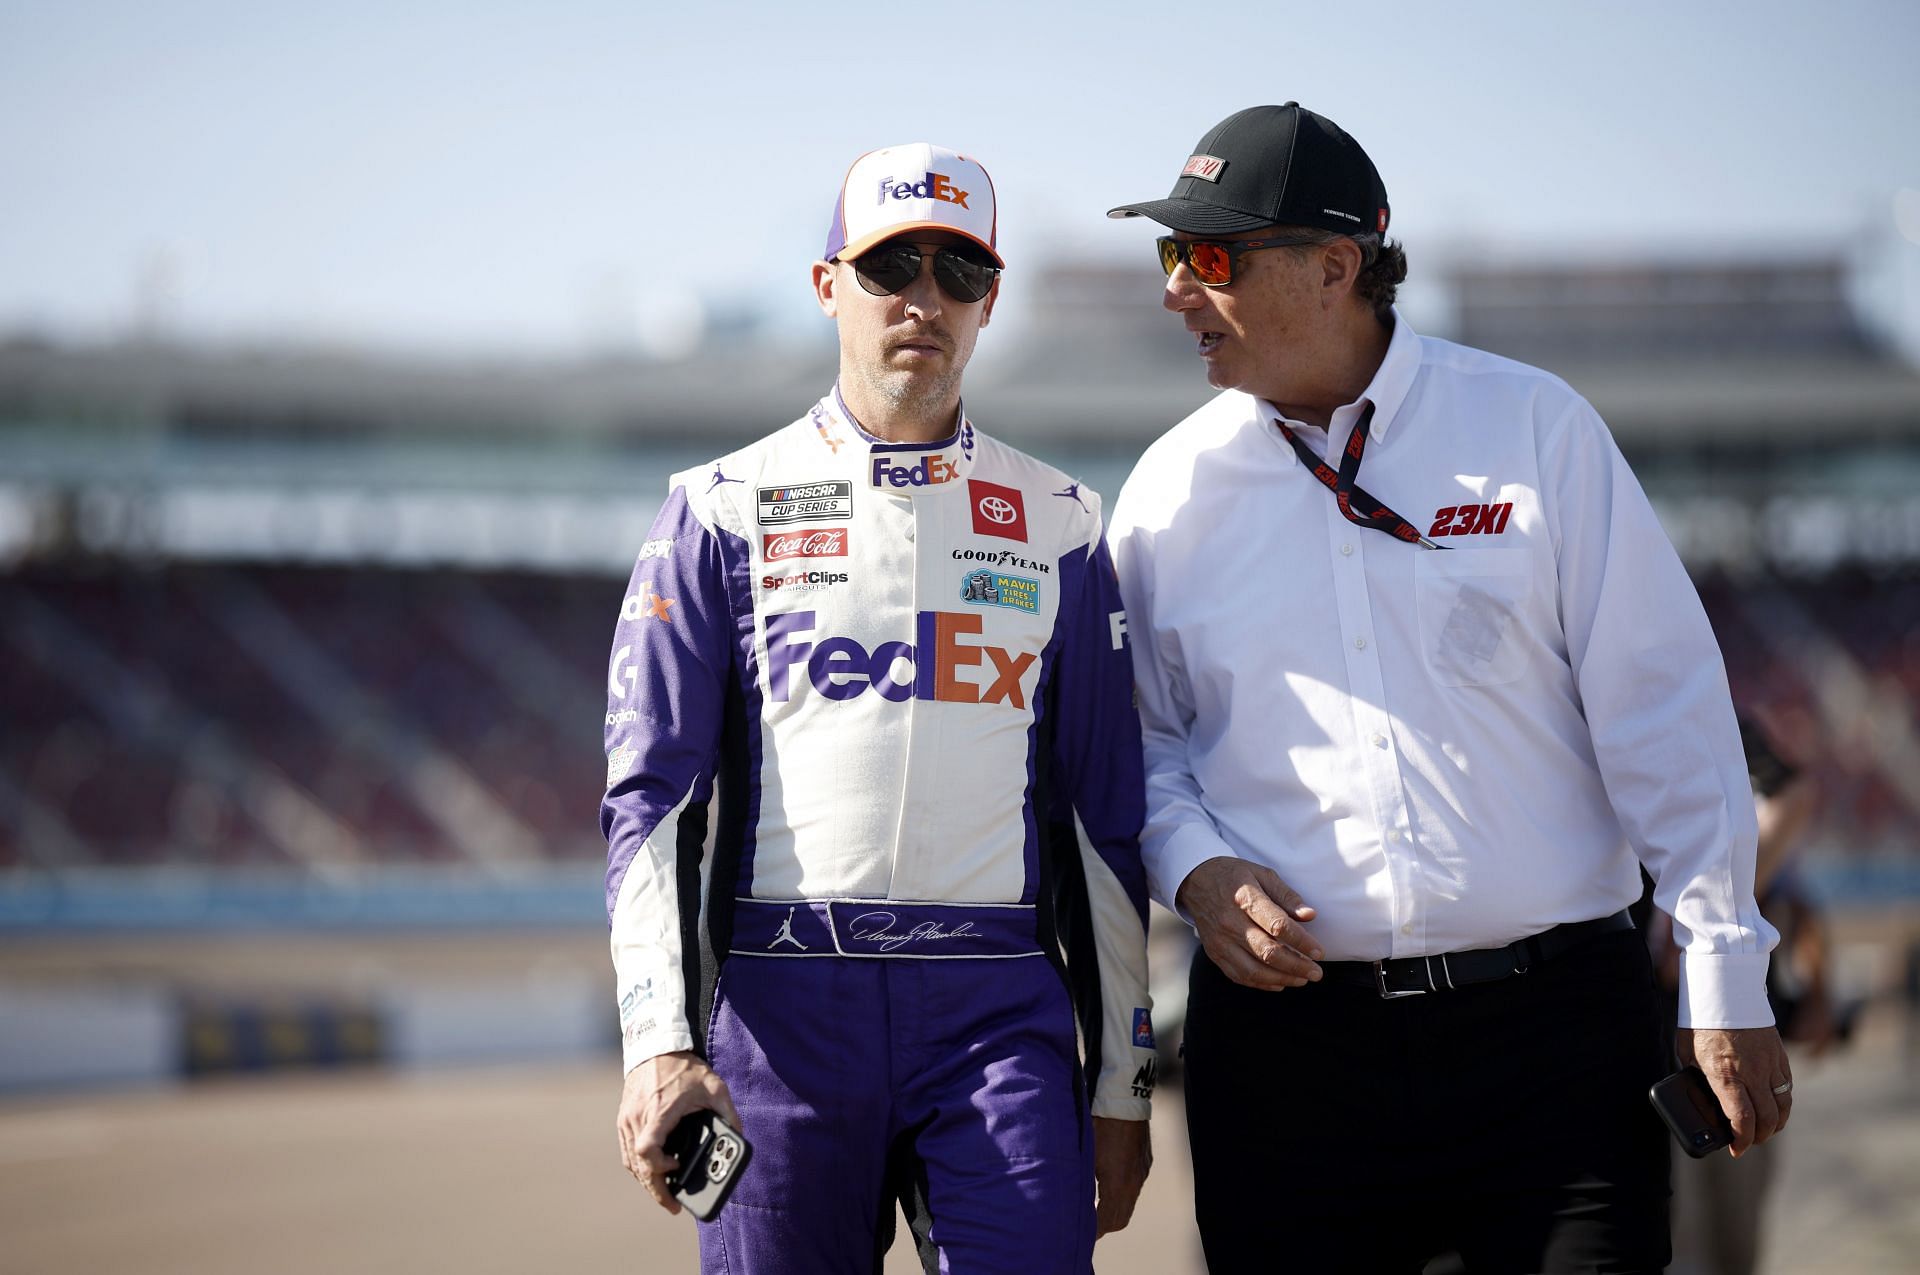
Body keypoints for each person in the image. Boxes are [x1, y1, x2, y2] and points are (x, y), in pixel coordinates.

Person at [1104, 103, 1791, 1273]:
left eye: (1209, 257)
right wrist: (1195, 867)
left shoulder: (1536, 429)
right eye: (1171, 256)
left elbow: (1664, 710)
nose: (1176, 292)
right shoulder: (1167, 490)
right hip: (1287, 1065)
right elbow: (1144, 747)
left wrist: (1725, 976)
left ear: (1336, 267)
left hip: (1556, 1048)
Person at [602, 142, 1155, 1274]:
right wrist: (659, 1043)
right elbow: (650, 806)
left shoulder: (1063, 525)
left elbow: (1106, 826)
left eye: (959, 272)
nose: (925, 299)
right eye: (890, 264)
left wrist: (1123, 1085)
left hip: (997, 1011)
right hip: (781, 1011)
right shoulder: (715, 512)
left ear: (991, 300)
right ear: (826, 287)